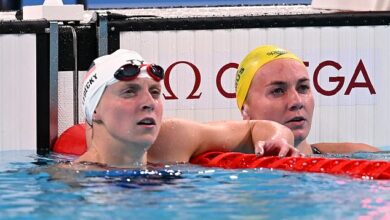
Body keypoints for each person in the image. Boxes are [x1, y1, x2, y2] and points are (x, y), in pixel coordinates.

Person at [76, 49, 300, 168]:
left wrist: (279, 139)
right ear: (95, 110)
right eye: (129, 91)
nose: (149, 102)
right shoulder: (76, 182)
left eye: (155, 92)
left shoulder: (173, 139)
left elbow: (258, 128)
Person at [235, 45, 379, 155]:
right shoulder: (228, 171)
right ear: (245, 111)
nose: (296, 101)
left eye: (303, 87)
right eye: (277, 91)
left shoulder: (360, 155)